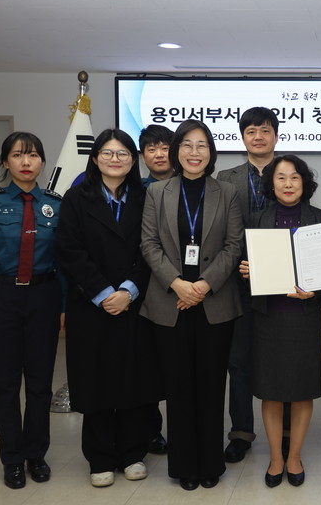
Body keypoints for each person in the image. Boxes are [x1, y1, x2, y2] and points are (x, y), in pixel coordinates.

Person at [140, 119, 243, 490]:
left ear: (210, 152)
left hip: (214, 302)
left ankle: (210, 464)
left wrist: (202, 285)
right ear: (176, 151)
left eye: (202, 145)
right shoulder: (157, 192)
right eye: (187, 145)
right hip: (170, 302)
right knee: (178, 386)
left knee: (212, 386)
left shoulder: (227, 192)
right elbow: (149, 244)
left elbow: (234, 245)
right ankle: (184, 466)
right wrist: (177, 283)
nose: (194, 152)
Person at [56, 128, 162, 487]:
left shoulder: (145, 197)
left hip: (135, 303)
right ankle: (100, 457)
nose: (115, 159)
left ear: (133, 160)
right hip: (91, 305)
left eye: (122, 154)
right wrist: (103, 293)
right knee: (96, 381)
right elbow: (69, 250)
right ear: (95, 158)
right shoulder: (76, 198)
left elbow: (152, 249)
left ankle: (133, 453)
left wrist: (129, 291)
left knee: (135, 381)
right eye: (108, 153)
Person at [0, 132, 64, 489]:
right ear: (5, 162)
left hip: (43, 297)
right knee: (5, 384)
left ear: (42, 162)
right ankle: (12, 459)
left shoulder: (55, 204)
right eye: (18, 155)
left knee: (39, 383)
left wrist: (64, 306)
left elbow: (63, 262)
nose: (26, 162)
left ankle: (36, 454)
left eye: (33, 155)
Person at [238, 155, 321, 488]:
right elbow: (245, 269)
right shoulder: (256, 220)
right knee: (271, 391)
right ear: (271, 184)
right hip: (268, 316)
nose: (288, 184)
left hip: (304, 316)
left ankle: (295, 456)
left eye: (294, 177)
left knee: (302, 390)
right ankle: (276, 457)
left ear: (304, 182)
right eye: (281, 178)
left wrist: (315, 290)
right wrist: (246, 270)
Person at [216, 107, 278, 462]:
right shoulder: (225, 178)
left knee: (280, 357)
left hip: (280, 281)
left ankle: (285, 430)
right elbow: (219, 228)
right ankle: (241, 432)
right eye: (251, 131)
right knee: (238, 360)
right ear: (242, 137)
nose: (258, 136)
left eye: (265, 130)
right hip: (236, 280)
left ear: (275, 136)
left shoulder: (289, 171)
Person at [137, 123, 173, 455]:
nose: (159, 154)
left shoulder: (194, 188)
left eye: (165, 147)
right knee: (147, 367)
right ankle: (150, 431)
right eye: (152, 149)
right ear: (143, 156)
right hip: (143, 291)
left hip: (188, 292)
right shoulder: (136, 191)